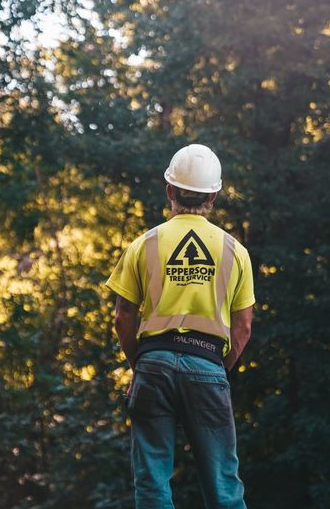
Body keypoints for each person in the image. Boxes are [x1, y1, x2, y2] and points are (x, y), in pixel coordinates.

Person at [106, 144, 255, 508]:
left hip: (153, 365)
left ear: (170, 190)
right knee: (223, 485)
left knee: (153, 482)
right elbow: (243, 326)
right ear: (214, 195)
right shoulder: (234, 251)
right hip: (207, 363)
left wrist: (138, 364)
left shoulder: (144, 245)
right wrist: (218, 370)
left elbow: (123, 317)